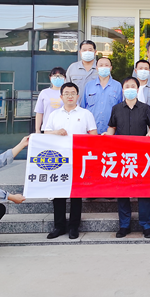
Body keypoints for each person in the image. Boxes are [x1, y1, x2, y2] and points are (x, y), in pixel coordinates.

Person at [43, 82, 98, 240]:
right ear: (61, 96)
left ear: (77, 96)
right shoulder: (54, 114)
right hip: (58, 160)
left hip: (78, 159)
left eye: (73, 93)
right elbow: (45, 134)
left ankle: (74, 226)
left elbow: (93, 135)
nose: (70, 96)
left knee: (76, 194)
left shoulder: (86, 114)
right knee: (58, 194)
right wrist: (56, 132)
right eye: (66, 93)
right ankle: (59, 226)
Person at [106, 77, 150, 239]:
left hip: (141, 155)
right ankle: (124, 225)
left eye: (132, 86)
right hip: (122, 156)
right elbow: (112, 127)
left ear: (137, 89)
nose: (129, 89)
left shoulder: (145, 108)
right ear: (123, 90)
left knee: (144, 191)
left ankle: (146, 225)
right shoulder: (116, 108)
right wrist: (106, 138)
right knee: (122, 191)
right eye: (126, 86)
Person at [81, 56, 122, 134]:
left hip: (111, 132)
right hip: (91, 131)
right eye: (101, 65)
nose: (104, 67)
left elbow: (120, 109)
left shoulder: (117, 86)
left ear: (110, 68)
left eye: (106, 65)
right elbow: (83, 107)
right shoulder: (89, 85)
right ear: (97, 68)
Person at [35, 66, 65, 133]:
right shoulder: (44, 93)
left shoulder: (68, 93)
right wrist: (37, 130)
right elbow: (39, 112)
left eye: (60, 75)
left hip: (64, 129)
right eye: (54, 76)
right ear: (50, 78)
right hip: (47, 129)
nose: (57, 78)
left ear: (65, 78)